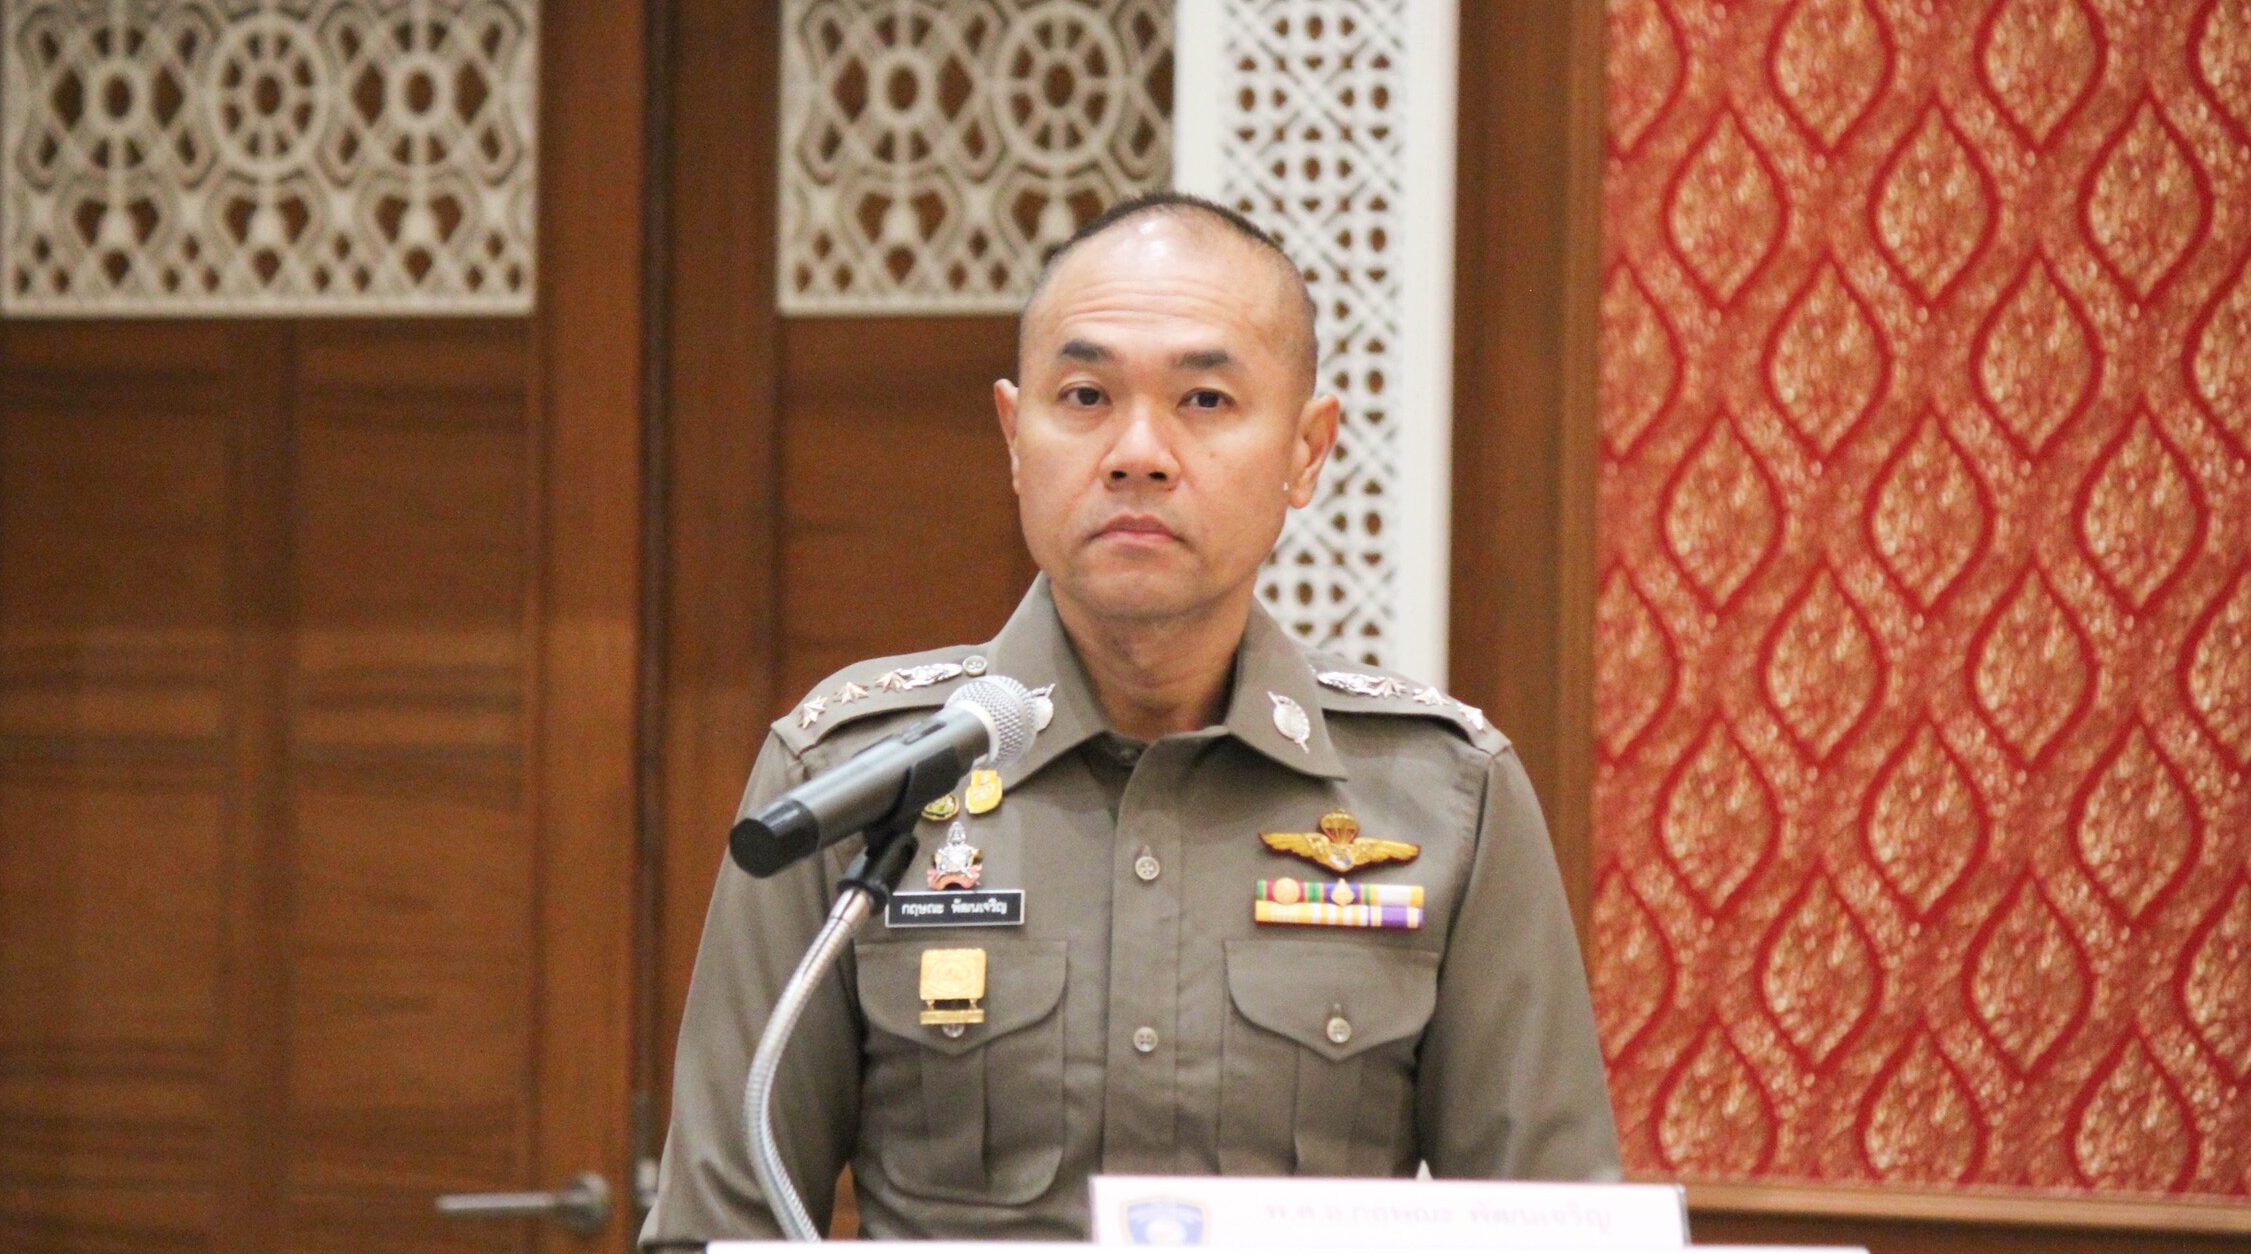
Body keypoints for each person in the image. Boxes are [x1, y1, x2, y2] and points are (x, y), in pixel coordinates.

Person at [640, 192, 1619, 1247]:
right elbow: (719, 1226)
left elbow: (1553, 1234)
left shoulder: (1443, 797)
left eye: (1204, 399)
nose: (1138, 451)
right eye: (1085, 396)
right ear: (1016, 438)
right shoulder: (855, 779)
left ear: (1306, 451)